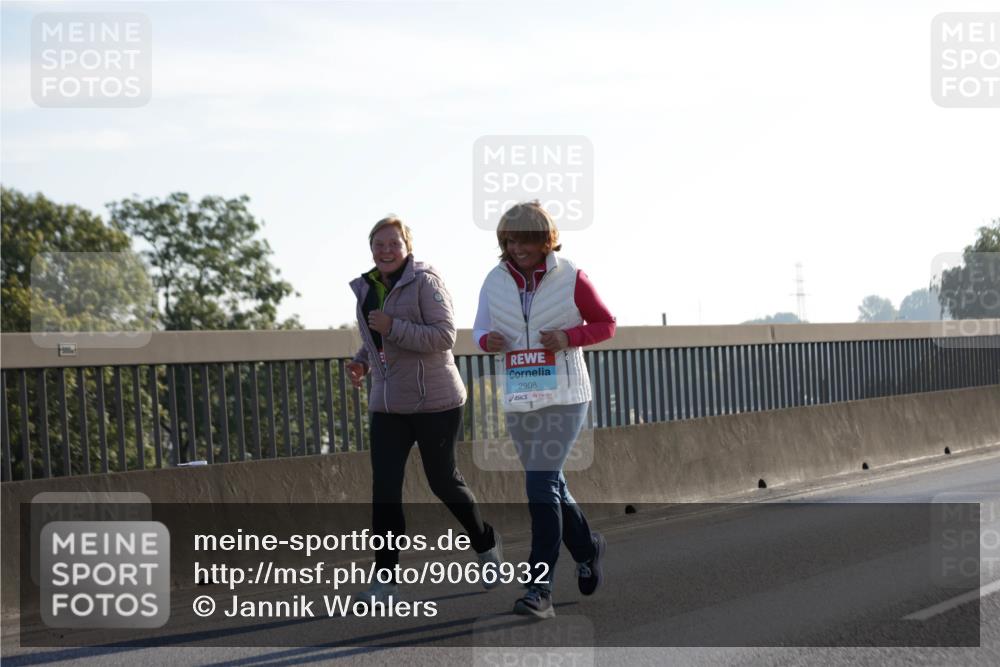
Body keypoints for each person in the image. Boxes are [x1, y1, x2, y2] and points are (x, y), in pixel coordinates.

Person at [473, 201, 616, 619]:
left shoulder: (570, 274)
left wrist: (570, 336)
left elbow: (606, 323)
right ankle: (588, 548)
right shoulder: (493, 280)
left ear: (544, 238)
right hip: (520, 396)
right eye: (510, 239)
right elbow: (480, 328)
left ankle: (539, 591)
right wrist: (488, 342)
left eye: (525, 239)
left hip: (566, 396)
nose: (516, 247)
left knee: (539, 487)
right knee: (551, 484)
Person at [348, 216, 502, 603]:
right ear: (371, 248)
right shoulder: (368, 288)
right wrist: (362, 362)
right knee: (384, 491)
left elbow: (444, 336)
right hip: (388, 403)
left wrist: (393, 325)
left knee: (443, 481)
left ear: (407, 247)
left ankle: (485, 544)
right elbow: (374, 338)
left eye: (393, 244)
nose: (385, 250)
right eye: (379, 244)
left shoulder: (426, 281)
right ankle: (385, 581)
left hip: (435, 401)